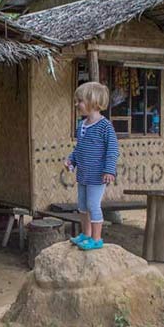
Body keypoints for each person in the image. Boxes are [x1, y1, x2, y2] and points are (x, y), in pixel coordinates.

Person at [64, 82, 120, 250]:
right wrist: (71, 160)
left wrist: (109, 170)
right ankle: (86, 234)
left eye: (80, 101)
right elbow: (79, 148)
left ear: (93, 102)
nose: (77, 104)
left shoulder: (105, 126)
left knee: (93, 205)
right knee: (82, 205)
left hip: (97, 176)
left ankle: (96, 239)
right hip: (83, 175)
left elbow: (113, 150)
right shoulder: (81, 126)